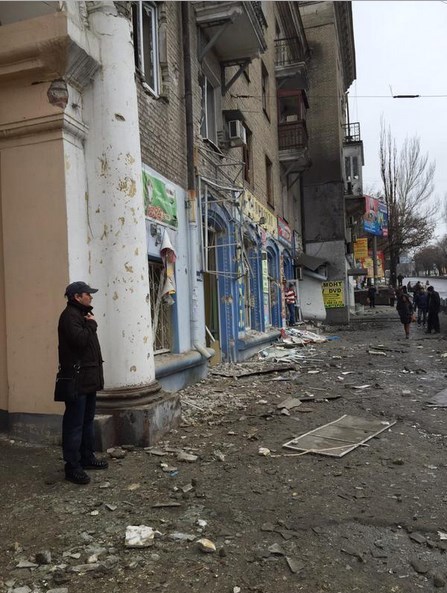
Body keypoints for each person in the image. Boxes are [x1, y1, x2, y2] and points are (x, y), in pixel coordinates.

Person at [58, 281, 108, 485]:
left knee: (86, 421)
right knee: (74, 425)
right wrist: (92, 325)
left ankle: (87, 457)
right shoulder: (70, 316)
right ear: (77, 296)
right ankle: (72, 467)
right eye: (88, 293)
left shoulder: (81, 315)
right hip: (77, 380)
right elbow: (79, 341)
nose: (91, 297)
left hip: (88, 379)